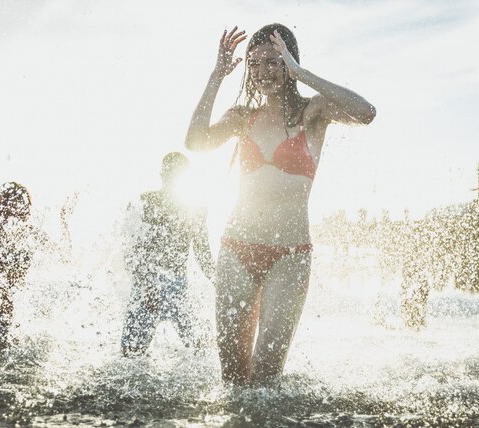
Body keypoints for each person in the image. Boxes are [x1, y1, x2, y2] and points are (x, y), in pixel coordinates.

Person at [185, 24, 376, 385]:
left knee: (266, 375)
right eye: (254, 65)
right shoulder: (243, 117)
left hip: (289, 256)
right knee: (233, 376)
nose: (262, 73)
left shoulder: (314, 113)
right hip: (236, 250)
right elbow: (195, 142)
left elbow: (365, 112)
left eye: (273, 62)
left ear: (289, 63)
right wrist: (216, 75)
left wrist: (302, 74)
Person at [0, 182, 75, 354]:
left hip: (6, 309)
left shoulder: (28, 233)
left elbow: (64, 256)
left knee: (4, 365)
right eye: (18, 202)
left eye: (26, 204)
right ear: (1, 202)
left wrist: (64, 220)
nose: (25, 209)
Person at [121, 152, 215, 356]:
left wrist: (220, 283)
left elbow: (203, 256)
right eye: (169, 174)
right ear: (162, 175)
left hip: (176, 287)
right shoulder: (143, 203)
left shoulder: (196, 210)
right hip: (148, 286)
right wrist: (147, 286)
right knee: (130, 354)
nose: (171, 179)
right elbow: (131, 252)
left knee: (201, 350)